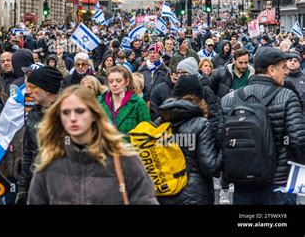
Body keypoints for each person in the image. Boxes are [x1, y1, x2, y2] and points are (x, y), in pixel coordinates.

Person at [27, 85, 158, 205]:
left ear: (94, 114)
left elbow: (145, 199)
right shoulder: (49, 163)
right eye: (66, 112)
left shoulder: (124, 160)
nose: (72, 118)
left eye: (80, 111)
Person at [221, 47, 305, 204]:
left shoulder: (228, 100)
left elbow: (220, 143)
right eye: (283, 67)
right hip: (279, 183)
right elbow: (298, 141)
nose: (286, 72)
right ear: (271, 70)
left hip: (242, 181)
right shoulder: (287, 97)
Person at [156, 75, 221, 205]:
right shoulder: (201, 124)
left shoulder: (159, 124)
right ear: (200, 99)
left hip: (165, 191)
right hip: (195, 193)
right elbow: (210, 167)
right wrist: (223, 150)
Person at [16, 66, 64, 204]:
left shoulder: (69, 113)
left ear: (47, 89)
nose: (28, 91)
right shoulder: (32, 114)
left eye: (32, 87)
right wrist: (23, 190)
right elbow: (28, 154)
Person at [98, 66, 151, 135]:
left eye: (118, 81)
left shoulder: (138, 104)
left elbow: (147, 133)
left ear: (127, 82)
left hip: (130, 145)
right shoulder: (99, 102)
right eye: (111, 81)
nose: (114, 84)